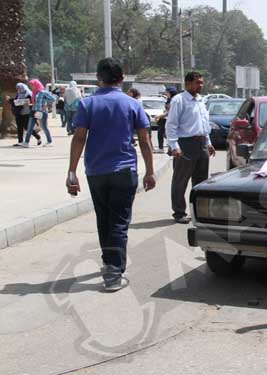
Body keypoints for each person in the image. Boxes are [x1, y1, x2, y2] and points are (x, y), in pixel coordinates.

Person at [66, 58, 155, 292]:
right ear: (122, 78)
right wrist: (150, 171)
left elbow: (79, 138)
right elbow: (145, 141)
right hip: (124, 171)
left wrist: (71, 171)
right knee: (119, 222)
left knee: (104, 219)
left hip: (96, 171)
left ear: (98, 78)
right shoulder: (132, 104)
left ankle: (109, 263)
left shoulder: (87, 104)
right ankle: (114, 273)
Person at [166, 71, 215, 224]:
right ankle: (179, 212)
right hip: (185, 144)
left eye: (201, 82)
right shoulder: (179, 100)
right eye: (197, 82)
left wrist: (208, 143)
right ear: (187, 84)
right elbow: (171, 125)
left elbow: (203, 124)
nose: (200, 85)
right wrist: (174, 146)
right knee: (180, 181)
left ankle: (199, 212)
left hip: (201, 144)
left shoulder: (201, 100)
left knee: (201, 182)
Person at [20, 79, 56, 147]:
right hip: (34, 111)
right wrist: (29, 104)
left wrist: (46, 105)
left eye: (32, 85)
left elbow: (53, 99)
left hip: (42, 112)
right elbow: (35, 103)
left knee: (44, 127)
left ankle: (49, 141)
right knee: (29, 127)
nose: (31, 86)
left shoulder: (43, 92)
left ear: (36, 84)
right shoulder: (34, 92)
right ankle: (26, 142)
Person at [154, 87, 177, 153]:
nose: (166, 94)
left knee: (168, 134)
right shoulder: (169, 99)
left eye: (167, 92)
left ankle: (171, 148)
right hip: (165, 119)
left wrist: (159, 116)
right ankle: (162, 147)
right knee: (161, 133)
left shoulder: (174, 100)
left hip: (170, 119)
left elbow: (170, 112)